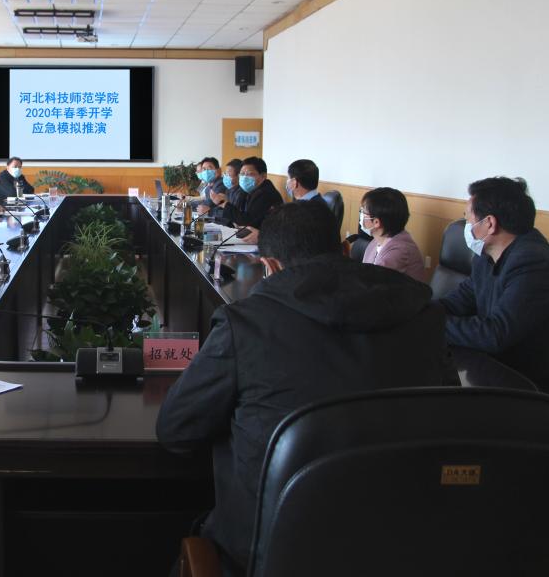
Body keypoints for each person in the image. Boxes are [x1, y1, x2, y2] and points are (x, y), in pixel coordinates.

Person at [157, 200, 454, 576]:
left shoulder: (246, 325)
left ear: (270, 266)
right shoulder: (425, 316)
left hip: (267, 554)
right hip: (402, 546)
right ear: (345, 249)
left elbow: (176, 429)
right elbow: (448, 419)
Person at [439, 176, 549, 397]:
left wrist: (433, 324)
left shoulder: (534, 262)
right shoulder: (487, 257)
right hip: (515, 375)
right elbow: (458, 301)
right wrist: (420, 312)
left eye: (468, 218)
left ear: (489, 224)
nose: (465, 225)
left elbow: (495, 334)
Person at [360, 187, 426, 282]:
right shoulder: (376, 241)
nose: (361, 215)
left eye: (363, 212)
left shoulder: (400, 251)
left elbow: (374, 284)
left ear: (376, 222)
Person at [211, 156, 283, 228]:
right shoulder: (248, 190)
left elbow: (248, 221)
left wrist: (224, 204)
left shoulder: (265, 194)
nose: (244, 177)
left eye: (249, 174)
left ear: (263, 176)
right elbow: (239, 215)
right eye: (242, 174)